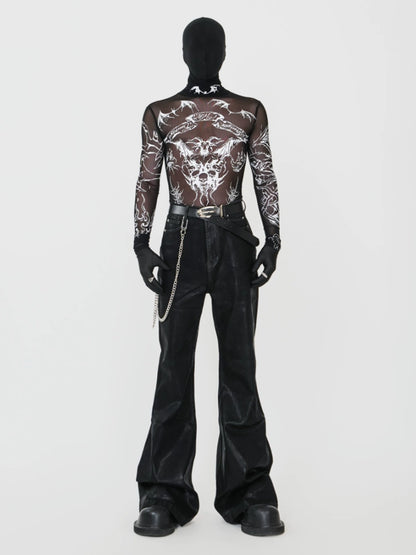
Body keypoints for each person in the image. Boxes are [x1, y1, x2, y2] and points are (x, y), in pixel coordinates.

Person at [132, 17, 285, 537]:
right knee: (173, 365)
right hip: (179, 241)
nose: (202, 53)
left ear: (223, 52)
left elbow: (264, 175)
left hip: (235, 237)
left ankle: (252, 491)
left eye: (210, 45)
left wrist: (274, 239)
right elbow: (147, 178)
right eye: (195, 46)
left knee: (240, 364)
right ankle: (162, 492)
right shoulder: (160, 114)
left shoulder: (249, 111)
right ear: (183, 53)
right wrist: (141, 244)